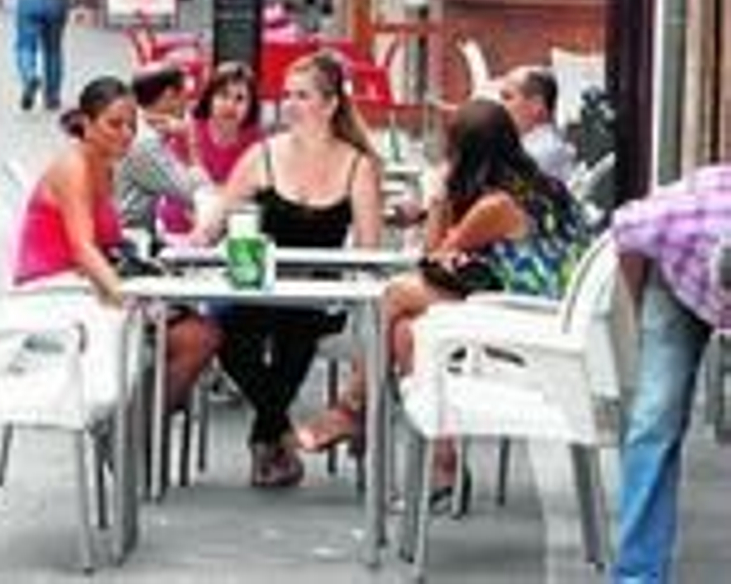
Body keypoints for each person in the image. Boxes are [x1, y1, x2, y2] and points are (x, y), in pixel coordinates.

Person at [296, 99, 589, 500]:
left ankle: (352, 407)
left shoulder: (497, 206)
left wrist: (437, 196)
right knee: (405, 334)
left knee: (395, 294)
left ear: (464, 153)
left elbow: (433, 257)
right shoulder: (534, 186)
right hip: (533, 311)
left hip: (524, 324)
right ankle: (443, 464)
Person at [200, 51, 383, 489]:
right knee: (225, 330)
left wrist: (358, 290)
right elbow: (212, 225)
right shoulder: (261, 155)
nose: (290, 104)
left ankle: (266, 442)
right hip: (257, 284)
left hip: (317, 291)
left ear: (330, 103)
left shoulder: (357, 166)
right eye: (286, 95)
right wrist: (192, 241)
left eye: (302, 96)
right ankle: (278, 429)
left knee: (296, 328)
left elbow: (369, 249)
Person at [14, 77, 220, 417]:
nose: (126, 134)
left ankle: (135, 436)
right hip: (57, 294)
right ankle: (131, 439)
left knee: (200, 334)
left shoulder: (104, 162)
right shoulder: (74, 166)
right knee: (195, 338)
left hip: (85, 283)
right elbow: (82, 247)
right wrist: (125, 296)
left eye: (131, 125)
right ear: (86, 123)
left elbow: (108, 242)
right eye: (114, 124)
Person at [610, 165, 731, 583]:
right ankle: (637, 575)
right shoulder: (678, 222)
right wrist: (637, 304)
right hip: (675, 283)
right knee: (654, 419)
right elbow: (623, 228)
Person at [115, 63, 213, 240]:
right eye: (186, 96)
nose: (189, 104)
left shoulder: (132, 124)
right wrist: (189, 141)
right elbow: (196, 194)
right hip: (128, 239)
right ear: (169, 96)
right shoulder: (145, 143)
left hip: (134, 231)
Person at [190, 61, 265, 188]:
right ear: (210, 97)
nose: (230, 105)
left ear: (250, 106)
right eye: (223, 95)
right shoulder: (190, 129)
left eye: (240, 98)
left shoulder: (256, 139)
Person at [499, 65, 576, 183]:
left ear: (536, 105)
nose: (500, 106)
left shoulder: (543, 151)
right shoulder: (525, 147)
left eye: (508, 97)